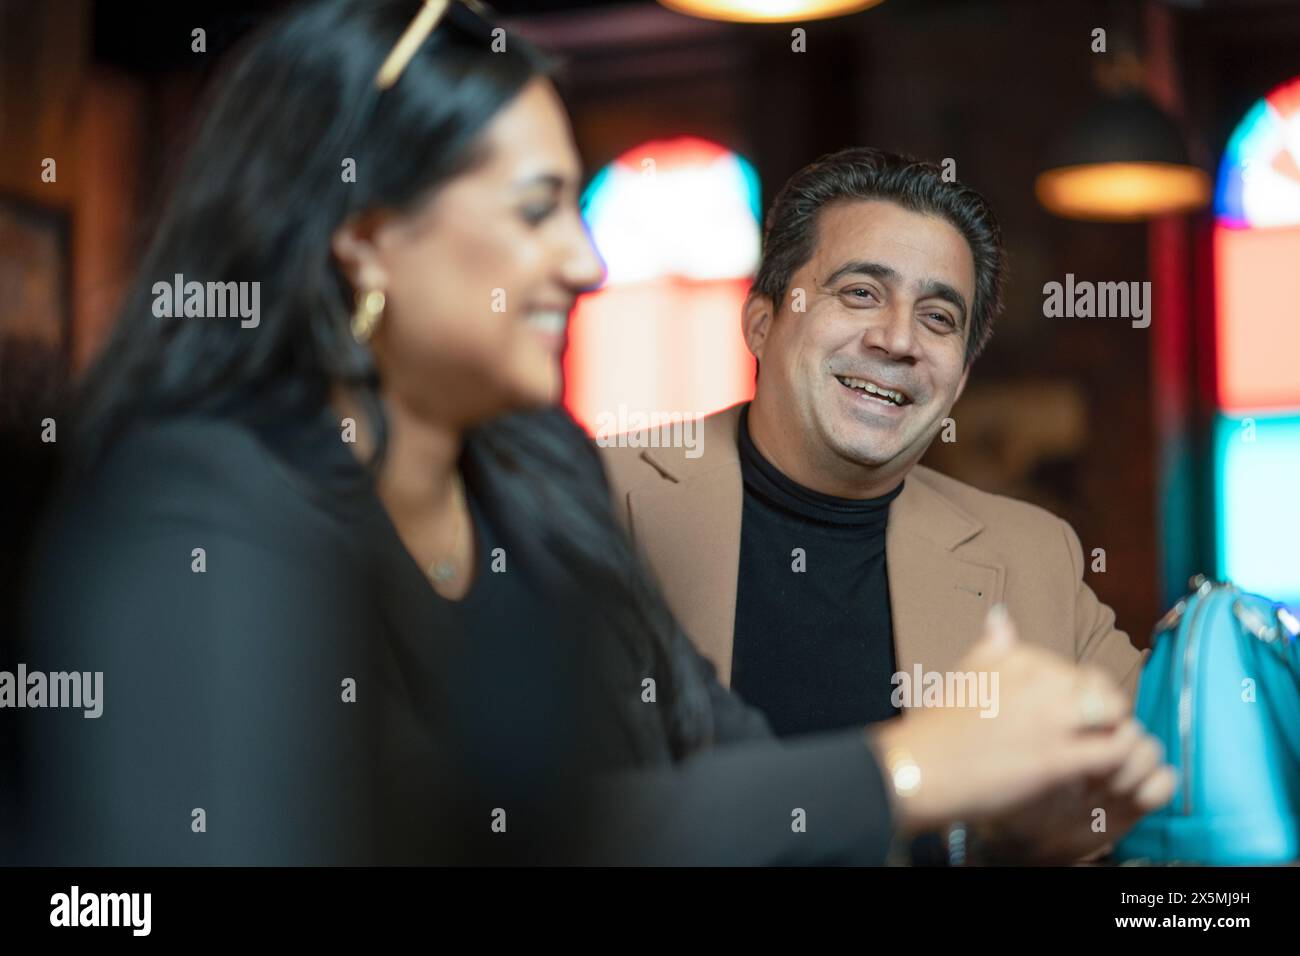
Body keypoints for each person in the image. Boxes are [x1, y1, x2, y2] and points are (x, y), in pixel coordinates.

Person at [19, 0, 1172, 865]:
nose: (585, 258)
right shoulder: (198, 506)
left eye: (575, 206)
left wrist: (988, 796)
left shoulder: (536, 475)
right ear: (363, 233)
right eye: (534, 210)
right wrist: (915, 764)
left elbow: (718, 755)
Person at [599, 147, 1163, 860]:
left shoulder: (1031, 554)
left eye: (938, 317)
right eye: (861, 292)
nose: (898, 340)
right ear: (761, 323)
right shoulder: (594, 501)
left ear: (957, 383)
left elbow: (1173, 766)